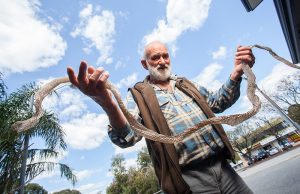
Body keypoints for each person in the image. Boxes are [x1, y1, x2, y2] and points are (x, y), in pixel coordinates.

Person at [67, 41, 255, 194]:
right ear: (145, 64)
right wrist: (107, 103)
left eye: (165, 56)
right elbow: (128, 137)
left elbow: (218, 102)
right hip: (189, 179)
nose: (162, 61)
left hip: (224, 168)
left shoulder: (186, 84)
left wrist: (236, 73)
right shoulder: (138, 95)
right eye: (155, 57)